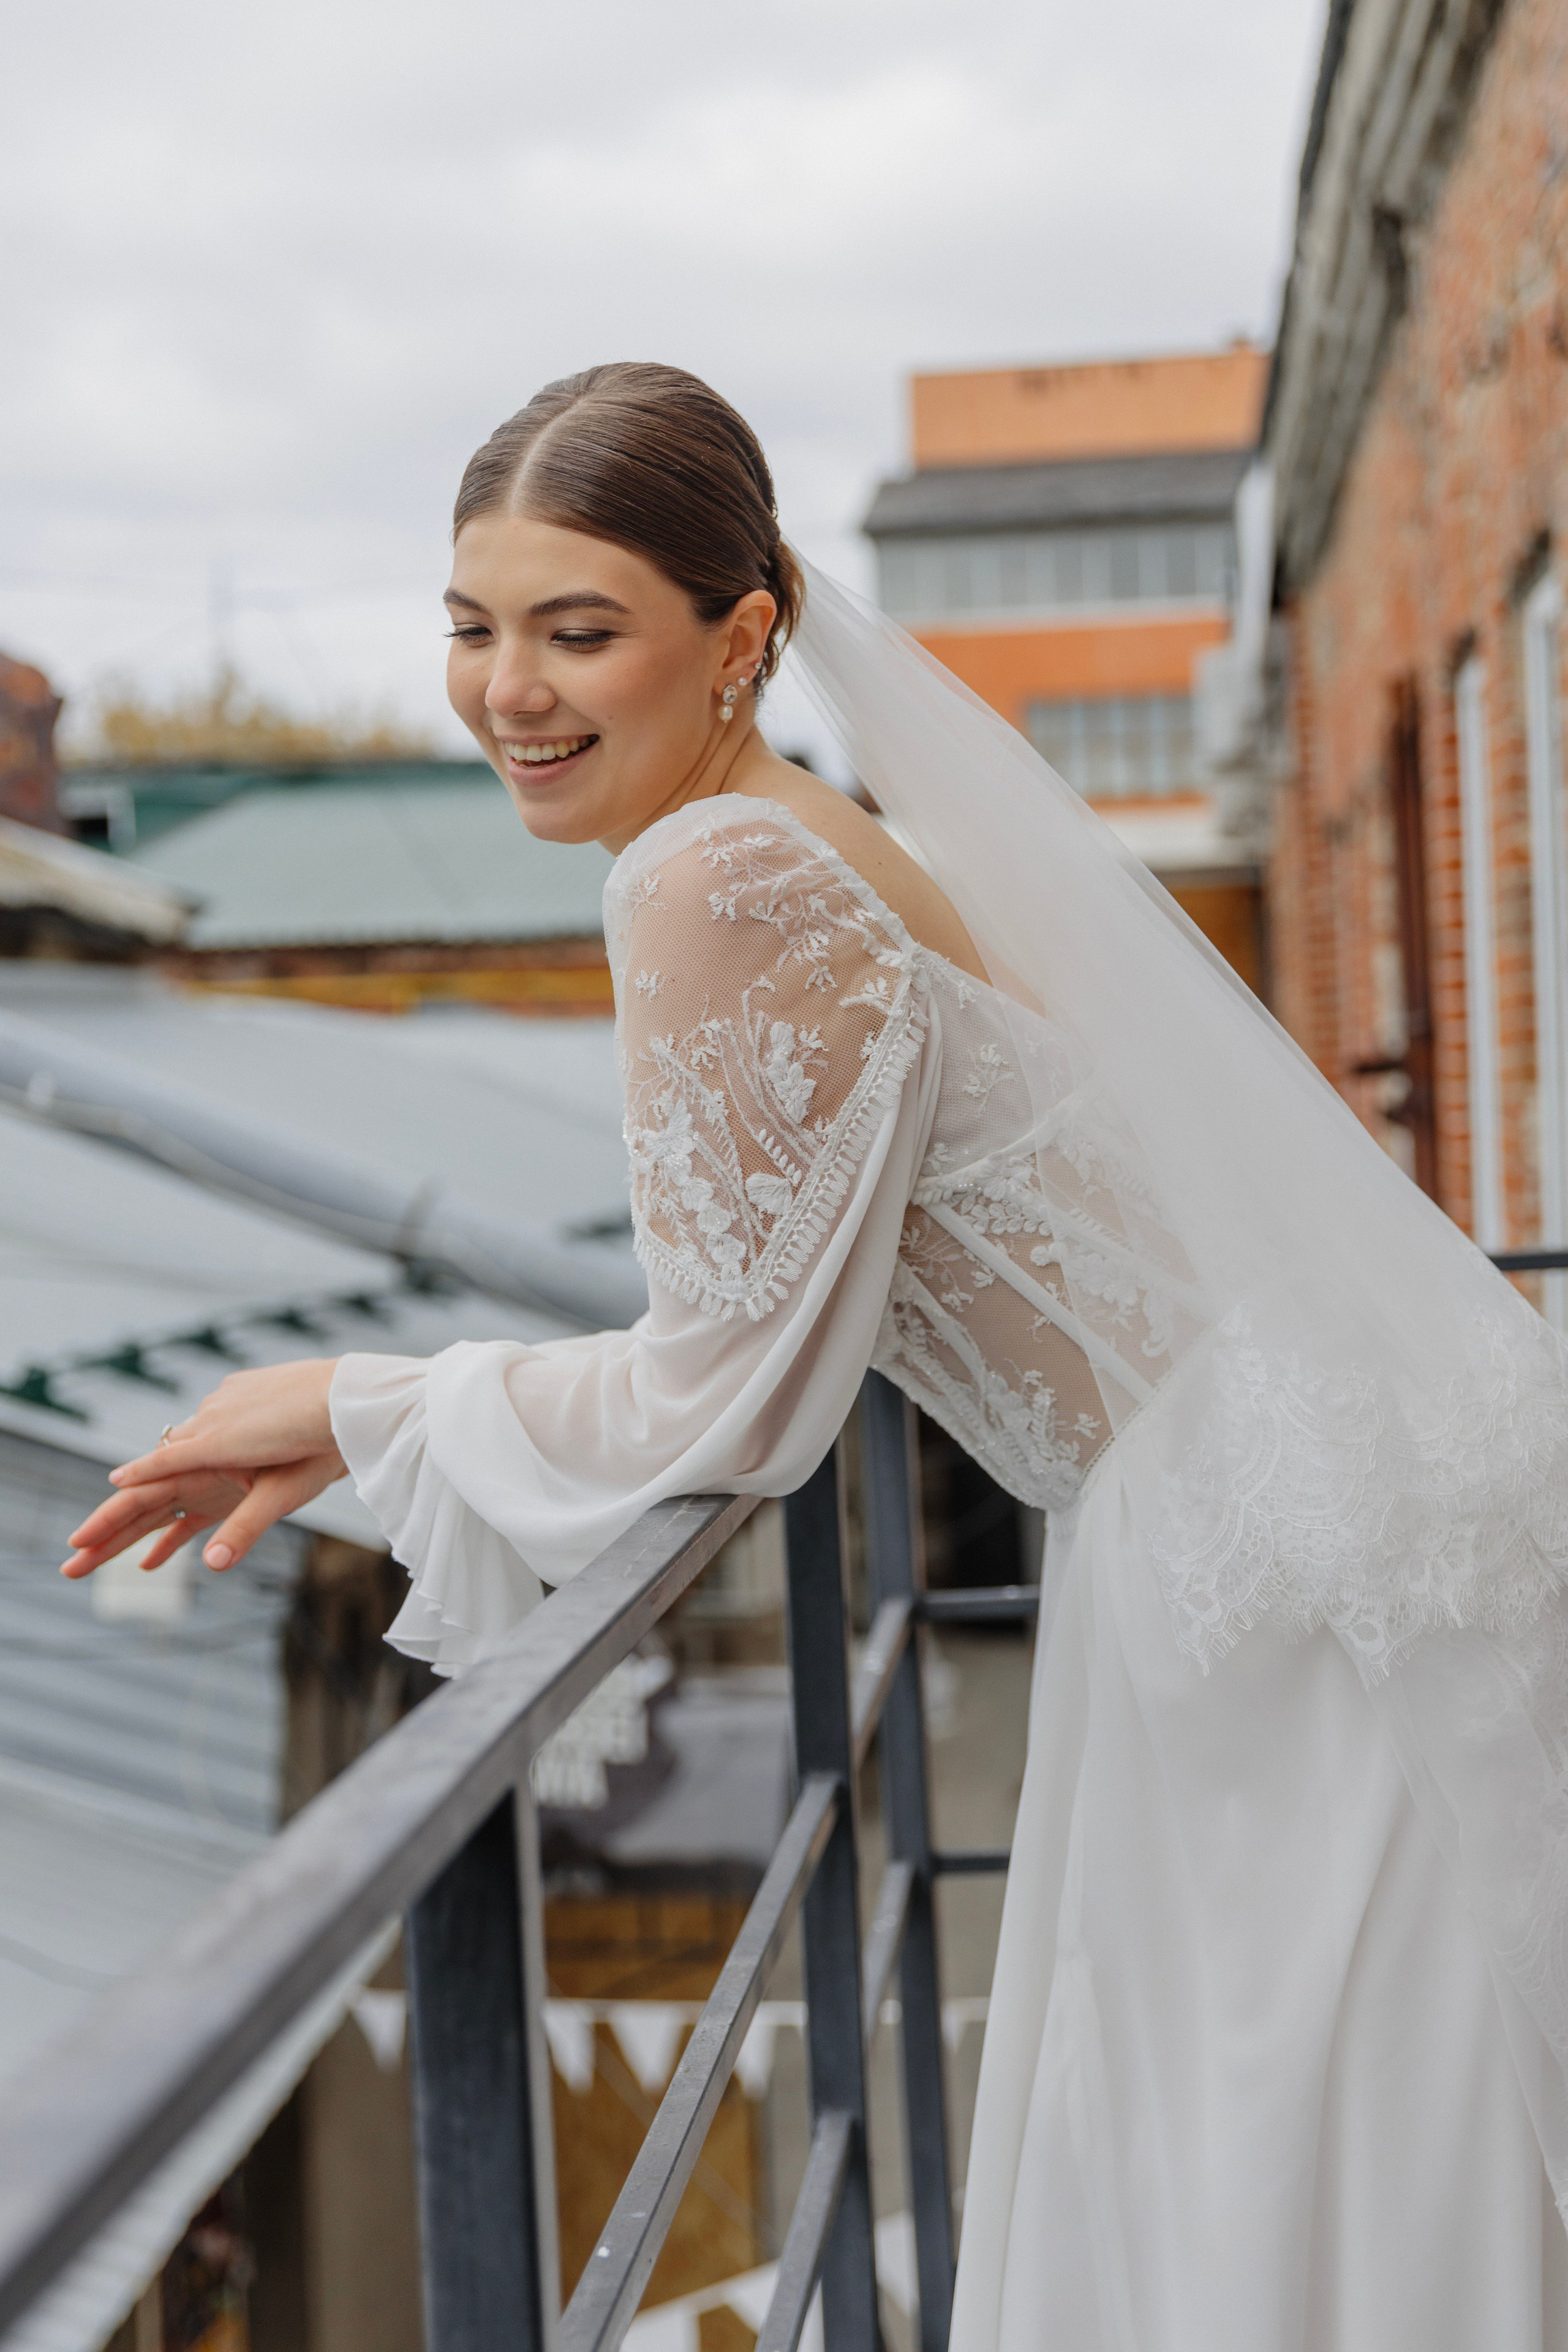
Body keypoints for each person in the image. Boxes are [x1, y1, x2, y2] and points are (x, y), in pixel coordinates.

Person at [62, 363, 1568, 2347]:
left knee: (1305, 2163)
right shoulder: (801, 832)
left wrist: (356, 1403)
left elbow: (736, 1401)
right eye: (471, 626)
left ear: (743, 634)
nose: (511, 689)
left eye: (578, 631)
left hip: (1264, 1553)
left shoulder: (710, 876)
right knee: (1352, 2148)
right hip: (1290, 1490)